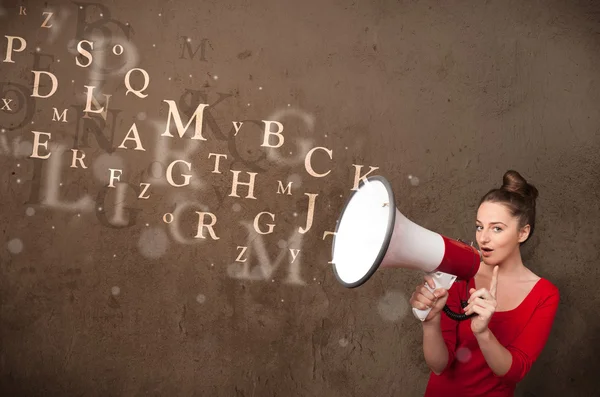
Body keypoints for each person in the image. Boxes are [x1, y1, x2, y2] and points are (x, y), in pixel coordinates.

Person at [409, 170, 560, 397]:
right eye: (480, 226)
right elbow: (438, 365)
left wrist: (483, 333)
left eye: (497, 228)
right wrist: (430, 322)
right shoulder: (459, 274)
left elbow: (514, 372)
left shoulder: (545, 295)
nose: (483, 238)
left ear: (523, 233)